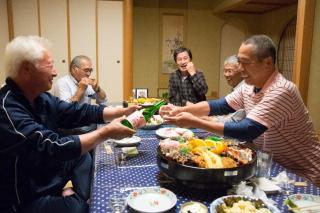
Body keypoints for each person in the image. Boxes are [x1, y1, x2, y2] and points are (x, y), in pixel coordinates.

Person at [0, 36, 139, 213]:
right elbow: (52, 146)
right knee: (79, 208)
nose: (55, 72)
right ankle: (77, 201)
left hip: (46, 172)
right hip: (26, 195)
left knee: (82, 157)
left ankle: (78, 196)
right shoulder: (7, 110)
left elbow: (77, 111)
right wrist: (105, 133)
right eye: (50, 66)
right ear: (27, 69)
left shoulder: (40, 97)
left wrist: (122, 112)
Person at [160, 35, 320, 186]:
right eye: (239, 62)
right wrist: (179, 109)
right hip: (271, 166)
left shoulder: (282, 90)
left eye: (245, 62)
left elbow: (247, 130)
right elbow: (220, 105)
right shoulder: (248, 86)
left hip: (301, 173)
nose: (239, 68)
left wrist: (194, 121)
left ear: (268, 62)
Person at [214, 55, 246, 123]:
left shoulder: (244, 90)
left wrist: (209, 119)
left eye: (229, 71)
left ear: (241, 71)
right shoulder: (234, 89)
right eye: (225, 71)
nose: (226, 74)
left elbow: (233, 120)